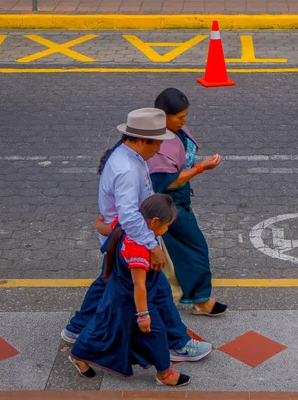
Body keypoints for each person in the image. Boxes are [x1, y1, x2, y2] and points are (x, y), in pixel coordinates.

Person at [61, 108, 212, 362]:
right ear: (142, 140)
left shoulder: (126, 156)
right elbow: (130, 216)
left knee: (107, 282)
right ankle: (177, 343)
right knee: (159, 290)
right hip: (133, 242)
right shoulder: (128, 170)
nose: (159, 150)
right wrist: (153, 245)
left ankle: (76, 329)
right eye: (157, 143)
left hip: (119, 241)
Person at [69, 194, 190, 386]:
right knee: (155, 331)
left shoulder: (129, 222)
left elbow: (107, 228)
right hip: (133, 299)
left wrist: (99, 225)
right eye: (167, 225)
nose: (167, 230)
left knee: (104, 326)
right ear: (155, 222)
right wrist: (143, 315)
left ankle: (79, 354)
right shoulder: (139, 249)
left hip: (119, 292)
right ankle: (164, 374)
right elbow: (139, 284)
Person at [147, 88, 227, 317]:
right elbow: (168, 182)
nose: (184, 121)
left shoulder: (174, 131)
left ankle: (182, 295)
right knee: (195, 245)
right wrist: (201, 168)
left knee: (176, 249)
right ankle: (200, 301)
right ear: (163, 116)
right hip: (168, 203)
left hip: (180, 199)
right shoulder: (158, 144)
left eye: (185, 116)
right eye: (180, 117)